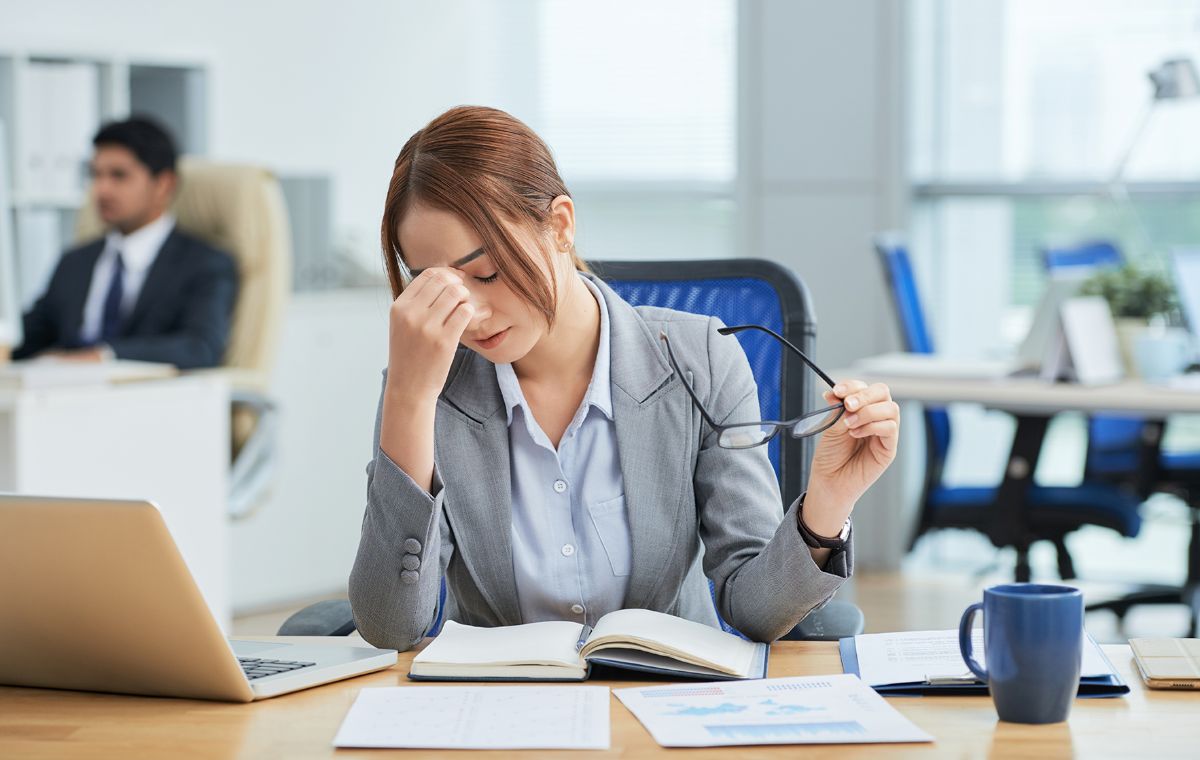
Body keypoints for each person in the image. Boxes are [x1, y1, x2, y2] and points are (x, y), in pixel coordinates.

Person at [350, 106, 900, 652]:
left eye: (487, 273)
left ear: (560, 225)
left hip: (668, 706)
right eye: (436, 288)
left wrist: (828, 500)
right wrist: (408, 396)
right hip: (505, 714)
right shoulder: (425, 385)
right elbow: (392, 626)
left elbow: (754, 611)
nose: (468, 313)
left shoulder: (702, 359)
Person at [13, 117, 237, 369]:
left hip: (148, 401)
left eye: (119, 176)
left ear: (164, 184)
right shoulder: (75, 261)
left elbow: (199, 348)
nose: (102, 189)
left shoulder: (204, 263)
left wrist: (104, 356)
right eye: (95, 175)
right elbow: (27, 336)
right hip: (63, 396)